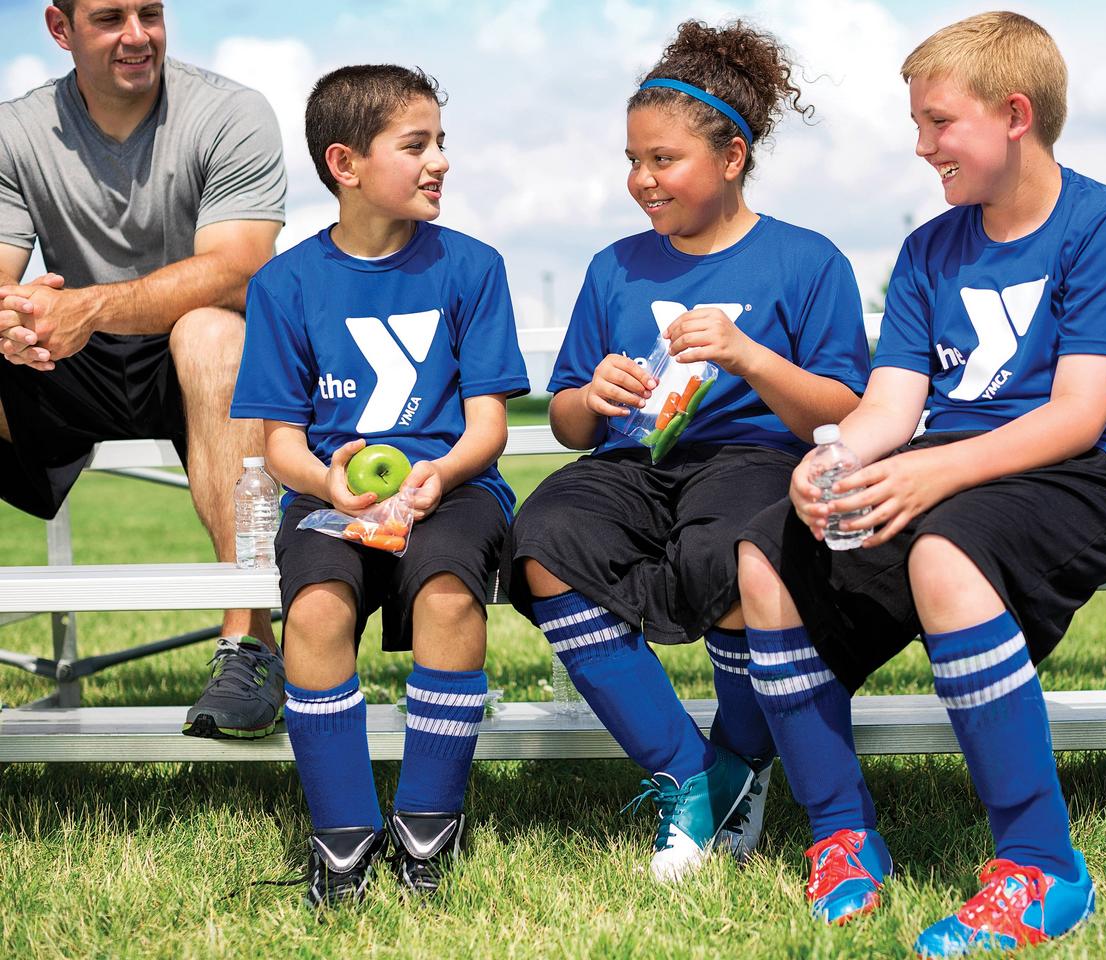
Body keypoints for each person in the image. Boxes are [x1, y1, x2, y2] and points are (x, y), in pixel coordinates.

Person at [735, 11, 1106, 955]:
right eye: (918, 125)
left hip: (1090, 475)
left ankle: (1042, 871)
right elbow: (892, 405)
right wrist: (835, 461)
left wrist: (926, 476)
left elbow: (1078, 417)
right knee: (766, 556)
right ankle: (843, 836)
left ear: (1015, 114)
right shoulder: (931, 248)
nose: (922, 145)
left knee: (943, 552)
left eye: (939, 123)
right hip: (956, 473)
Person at [503, 20, 870, 882]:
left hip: (756, 461)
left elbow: (845, 407)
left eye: (663, 160)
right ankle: (695, 776)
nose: (641, 180)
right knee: (542, 536)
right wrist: (589, 399)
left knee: (732, 550)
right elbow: (565, 421)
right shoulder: (614, 267)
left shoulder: (807, 262)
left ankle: (743, 767)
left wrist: (749, 356)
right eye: (632, 160)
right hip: (635, 464)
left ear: (732, 156)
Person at [229, 64, 528, 908]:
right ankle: (344, 835)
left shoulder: (472, 267)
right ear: (345, 163)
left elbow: (488, 429)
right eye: (416, 144)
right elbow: (281, 442)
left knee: (445, 595)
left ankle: (428, 826)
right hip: (334, 499)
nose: (440, 161)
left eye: (442, 142)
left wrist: (437, 474)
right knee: (317, 609)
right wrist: (330, 481)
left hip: (456, 486)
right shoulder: (285, 284)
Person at [0, 0, 288, 737]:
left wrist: (88, 309)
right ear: (60, 30)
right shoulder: (15, 130)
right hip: (69, 353)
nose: (137, 36)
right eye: (110, 19)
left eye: (150, 14)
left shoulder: (230, 112)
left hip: (195, 348)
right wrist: (12, 323)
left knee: (210, 334)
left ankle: (247, 642)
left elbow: (240, 270)